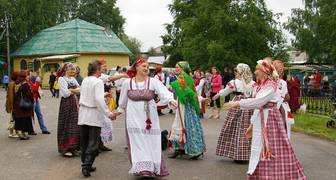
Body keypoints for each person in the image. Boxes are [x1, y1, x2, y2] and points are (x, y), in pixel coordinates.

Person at [224, 59, 306, 179]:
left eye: (257, 69)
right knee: (259, 146)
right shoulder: (260, 85)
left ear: (264, 71)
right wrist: (252, 124)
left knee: (272, 147)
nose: (255, 72)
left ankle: (279, 175)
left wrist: (237, 103)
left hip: (270, 119)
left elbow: (259, 102)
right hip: (262, 117)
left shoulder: (270, 85)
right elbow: (258, 106)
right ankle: (260, 175)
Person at [116, 58, 176, 177]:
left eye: (147, 67)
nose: (146, 68)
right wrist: (116, 112)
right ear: (136, 67)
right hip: (133, 116)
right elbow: (122, 102)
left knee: (151, 140)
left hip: (150, 116)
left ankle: (152, 167)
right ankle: (143, 169)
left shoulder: (153, 81)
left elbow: (164, 92)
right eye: (144, 66)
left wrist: (171, 100)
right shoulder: (128, 83)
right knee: (137, 141)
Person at [78, 60, 117, 177]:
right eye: (101, 69)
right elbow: (98, 100)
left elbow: (87, 94)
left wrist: (103, 95)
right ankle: (86, 166)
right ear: (97, 70)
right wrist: (109, 113)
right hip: (93, 114)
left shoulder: (85, 80)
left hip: (83, 113)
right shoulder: (98, 81)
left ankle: (86, 163)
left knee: (84, 141)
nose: (103, 71)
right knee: (93, 142)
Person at [213, 63, 254, 163]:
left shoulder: (243, 83)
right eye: (236, 71)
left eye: (238, 71)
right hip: (244, 105)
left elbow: (226, 91)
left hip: (242, 104)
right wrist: (218, 95)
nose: (236, 73)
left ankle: (240, 155)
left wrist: (217, 95)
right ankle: (241, 155)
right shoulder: (249, 83)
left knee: (240, 129)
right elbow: (226, 91)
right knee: (240, 129)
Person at [168, 61, 206, 160]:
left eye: (178, 67)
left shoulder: (185, 77)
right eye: (175, 67)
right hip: (182, 103)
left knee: (187, 126)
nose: (176, 69)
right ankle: (179, 149)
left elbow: (188, 91)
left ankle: (195, 150)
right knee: (179, 125)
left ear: (183, 68)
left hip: (187, 105)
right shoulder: (182, 77)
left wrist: (175, 84)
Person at [57, 62, 81, 157]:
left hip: (75, 104)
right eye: (71, 69)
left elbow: (81, 89)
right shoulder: (61, 79)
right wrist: (74, 90)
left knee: (75, 126)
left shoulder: (73, 79)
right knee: (67, 125)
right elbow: (65, 94)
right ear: (65, 70)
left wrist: (71, 90)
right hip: (67, 105)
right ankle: (65, 148)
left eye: (74, 69)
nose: (73, 71)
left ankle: (73, 147)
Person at [273, 60, 294, 139]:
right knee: (280, 132)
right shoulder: (282, 82)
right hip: (278, 109)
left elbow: (287, 97)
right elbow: (286, 97)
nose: (282, 71)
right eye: (281, 69)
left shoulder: (282, 82)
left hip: (278, 108)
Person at [13, 71, 35, 140]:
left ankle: (19, 133)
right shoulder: (25, 84)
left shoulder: (16, 83)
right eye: (26, 75)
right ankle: (24, 135)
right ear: (24, 77)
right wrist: (32, 99)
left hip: (17, 104)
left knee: (19, 119)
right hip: (24, 105)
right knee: (25, 119)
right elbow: (29, 94)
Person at [6, 72, 19, 138]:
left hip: (11, 104)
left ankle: (13, 132)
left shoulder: (11, 83)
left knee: (13, 118)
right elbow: (11, 96)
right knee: (13, 118)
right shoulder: (12, 84)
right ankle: (12, 133)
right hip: (13, 105)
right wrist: (12, 105)